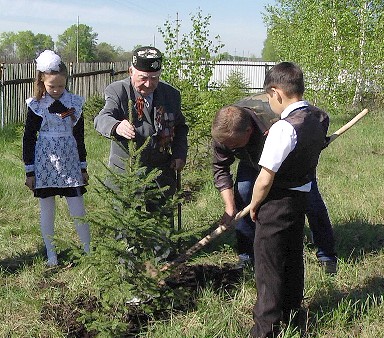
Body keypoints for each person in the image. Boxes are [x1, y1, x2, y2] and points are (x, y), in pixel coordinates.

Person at [246, 61, 328, 337]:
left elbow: (265, 178)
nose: (270, 104)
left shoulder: (283, 128)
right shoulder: (318, 117)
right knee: (292, 257)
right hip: (301, 199)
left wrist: (255, 205)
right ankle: (294, 314)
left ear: (276, 92)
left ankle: (265, 329)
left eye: (270, 98)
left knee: (268, 266)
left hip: (277, 203)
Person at [212, 96, 337, 274]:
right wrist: (229, 207)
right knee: (243, 192)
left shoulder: (276, 117)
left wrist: (314, 140)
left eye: (234, 144)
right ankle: (247, 255)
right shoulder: (225, 132)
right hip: (252, 161)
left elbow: (320, 117)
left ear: (248, 131)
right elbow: (220, 167)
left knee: (311, 201)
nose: (228, 147)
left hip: (292, 163)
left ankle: (327, 256)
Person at [94, 46, 188, 223]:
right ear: (131, 71)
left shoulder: (171, 95)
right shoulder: (118, 91)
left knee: (162, 223)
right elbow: (101, 118)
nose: (148, 84)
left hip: (161, 170)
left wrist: (179, 154)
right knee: (127, 222)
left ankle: (163, 251)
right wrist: (116, 126)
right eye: (143, 78)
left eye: (154, 78)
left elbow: (180, 127)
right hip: (127, 170)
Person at [22, 50, 90, 267]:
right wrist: (30, 170)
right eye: (52, 87)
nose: (57, 91)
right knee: (47, 209)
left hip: (70, 160)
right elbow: (28, 138)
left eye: (61, 86)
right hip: (45, 161)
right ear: (42, 80)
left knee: (77, 207)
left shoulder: (74, 103)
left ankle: (88, 251)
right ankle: (51, 254)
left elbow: (79, 136)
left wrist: (82, 166)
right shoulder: (36, 105)